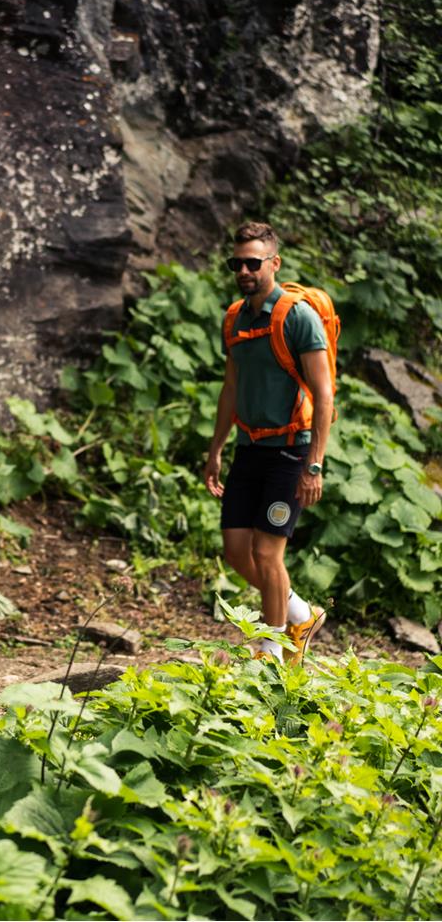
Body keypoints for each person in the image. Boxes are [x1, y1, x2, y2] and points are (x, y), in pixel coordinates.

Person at [203, 221, 332, 663]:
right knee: (238, 551)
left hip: (290, 451)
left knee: (267, 552)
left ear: (273, 263)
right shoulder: (235, 318)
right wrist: (216, 448)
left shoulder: (298, 317)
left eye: (253, 262)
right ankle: (300, 613)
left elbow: (324, 393)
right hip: (249, 448)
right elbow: (230, 388)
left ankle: (270, 651)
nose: (244, 270)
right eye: (237, 262)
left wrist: (313, 464)